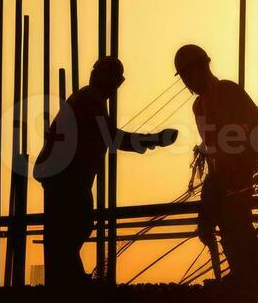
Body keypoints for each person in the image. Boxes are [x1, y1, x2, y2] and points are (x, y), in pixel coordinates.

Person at [34, 57, 178, 286]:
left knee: (73, 228)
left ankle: (69, 280)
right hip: (65, 177)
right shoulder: (91, 98)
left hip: (64, 175)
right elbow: (112, 137)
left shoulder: (88, 97)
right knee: (75, 226)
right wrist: (154, 139)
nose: (115, 89)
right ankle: (70, 282)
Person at [175, 44, 258, 286]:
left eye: (188, 75)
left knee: (237, 223)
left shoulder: (227, 91)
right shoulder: (199, 106)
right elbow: (212, 145)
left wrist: (250, 161)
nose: (187, 82)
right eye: (184, 77)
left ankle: (253, 278)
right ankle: (242, 275)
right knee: (221, 226)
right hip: (220, 174)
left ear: (203, 68)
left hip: (239, 172)